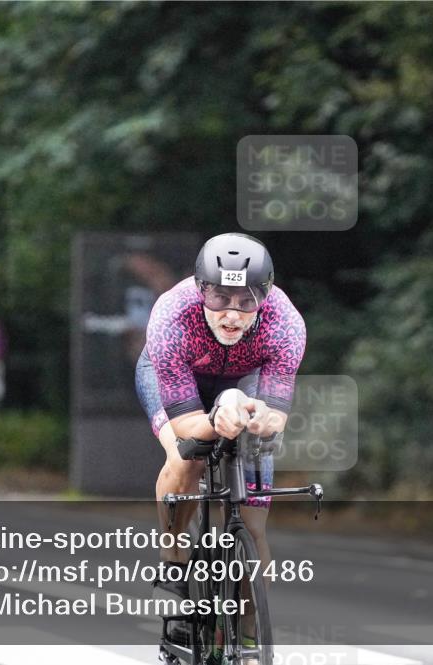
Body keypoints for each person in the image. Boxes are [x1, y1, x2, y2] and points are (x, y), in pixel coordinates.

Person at [135, 232, 306, 645]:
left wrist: (258, 418)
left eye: (246, 302)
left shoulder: (285, 323)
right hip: (177, 381)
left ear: (264, 297)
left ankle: (249, 638)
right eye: (219, 299)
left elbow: (275, 415)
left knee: (254, 523)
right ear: (200, 290)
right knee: (185, 456)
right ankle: (174, 567)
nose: (232, 315)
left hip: (246, 379)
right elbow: (188, 425)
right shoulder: (171, 316)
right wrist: (217, 421)